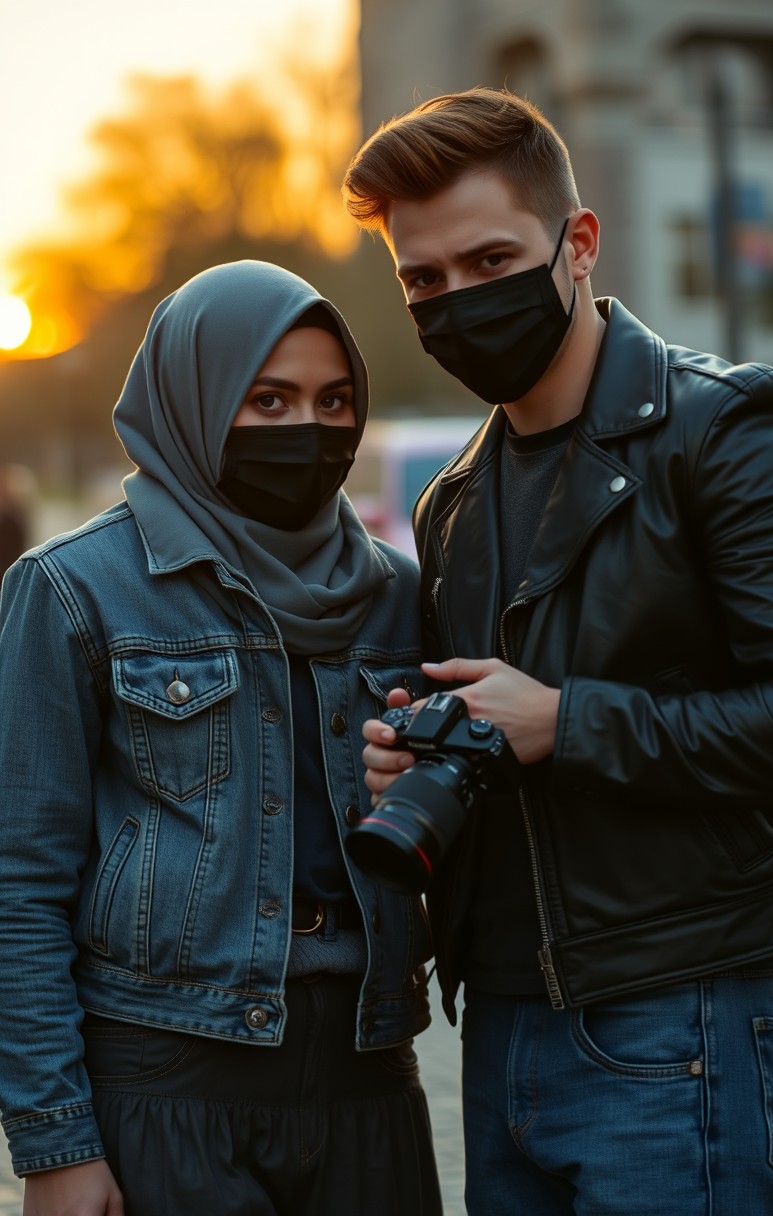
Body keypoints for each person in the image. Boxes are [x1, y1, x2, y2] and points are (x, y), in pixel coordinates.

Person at [342, 88, 773, 1215]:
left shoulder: (725, 426)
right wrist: (419, 761)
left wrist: (566, 721)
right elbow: (497, 739)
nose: (458, 300)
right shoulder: (453, 499)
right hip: (501, 1020)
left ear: (579, 243)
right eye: (424, 279)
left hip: (674, 1014)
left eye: (489, 259)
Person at [0, 260, 443, 1216]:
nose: (307, 430)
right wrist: (56, 1145)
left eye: (332, 400)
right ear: (192, 402)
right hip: (163, 1086)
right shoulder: (74, 591)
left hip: (370, 1082)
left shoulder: (400, 599)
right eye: (267, 398)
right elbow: (18, 883)